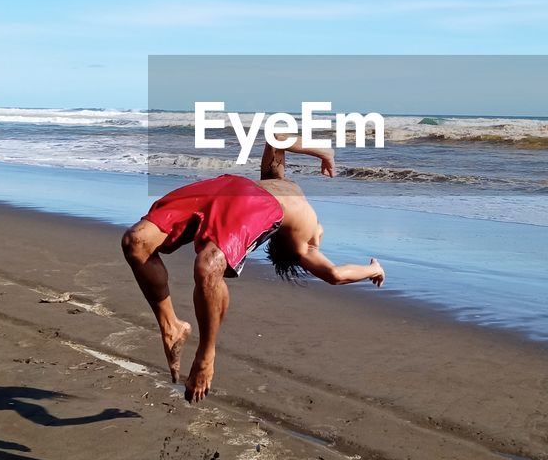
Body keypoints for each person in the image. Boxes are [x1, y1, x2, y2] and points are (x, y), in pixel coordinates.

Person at [121, 137, 385, 403]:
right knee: (136, 242)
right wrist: (322, 153)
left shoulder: (304, 247)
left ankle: (206, 355)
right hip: (229, 186)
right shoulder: (276, 179)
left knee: (206, 266)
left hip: (252, 202)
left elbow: (336, 275)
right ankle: (171, 326)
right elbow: (276, 138)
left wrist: (372, 269)